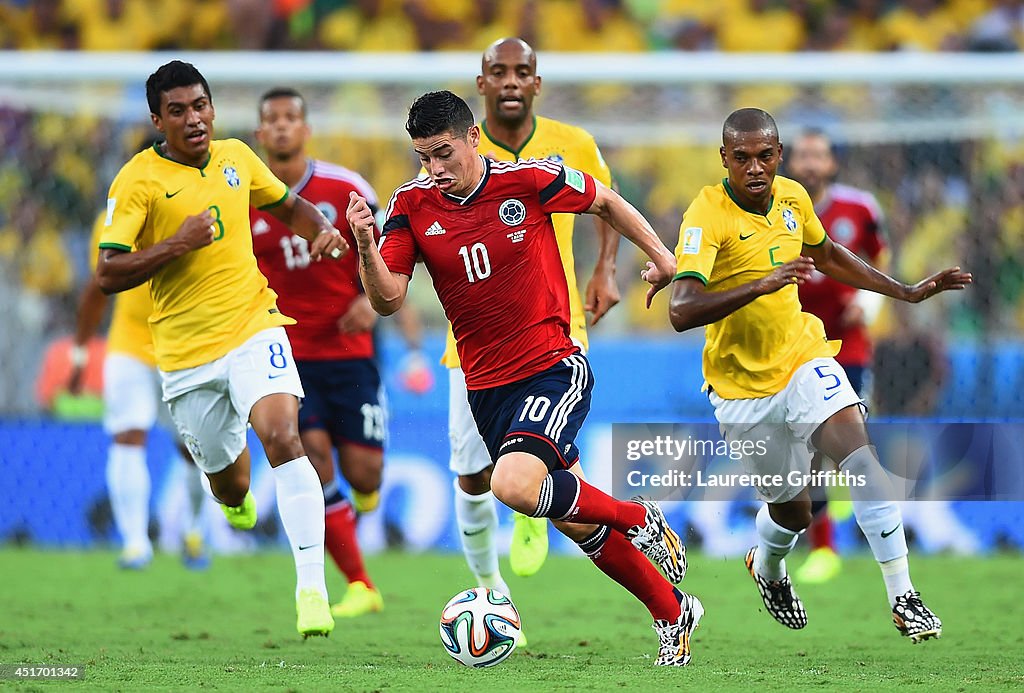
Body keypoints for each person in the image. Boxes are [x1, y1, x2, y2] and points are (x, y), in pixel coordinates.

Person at [348, 90, 702, 666]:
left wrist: (664, 258)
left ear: (472, 139)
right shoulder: (411, 204)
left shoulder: (530, 180)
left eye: (443, 154)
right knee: (574, 518)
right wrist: (365, 244)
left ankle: (640, 517)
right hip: (484, 386)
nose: (434, 170)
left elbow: (607, 202)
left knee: (511, 486)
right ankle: (672, 612)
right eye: (423, 158)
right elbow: (387, 299)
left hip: (551, 366)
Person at [669, 108, 971, 643]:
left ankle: (904, 597)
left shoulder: (793, 198)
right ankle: (768, 566)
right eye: (742, 158)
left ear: (779, 156)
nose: (755, 168)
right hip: (741, 388)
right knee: (793, 512)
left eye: (765, 156)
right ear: (724, 159)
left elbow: (827, 252)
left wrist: (904, 291)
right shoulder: (706, 214)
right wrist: (761, 284)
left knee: (860, 458)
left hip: (803, 354)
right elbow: (682, 309)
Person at [95, 60, 347, 638]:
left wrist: (320, 232)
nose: (194, 118)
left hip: (253, 324)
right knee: (229, 482)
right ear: (158, 119)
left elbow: (287, 205)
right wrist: (177, 244)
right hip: (184, 355)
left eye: (201, 105)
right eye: (178, 111)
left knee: (285, 436)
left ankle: (312, 588)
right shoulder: (137, 180)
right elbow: (108, 273)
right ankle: (233, 500)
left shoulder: (237, 157)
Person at [443, 37, 622, 599]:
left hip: (555, 325)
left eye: (523, 72)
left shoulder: (572, 144)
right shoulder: (456, 155)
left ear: (537, 84)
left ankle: (621, 541)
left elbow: (606, 202)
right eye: (500, 72)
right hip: (474, 342)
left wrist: (606, 270)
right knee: (473, 476)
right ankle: (491, 590)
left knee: (537, 457)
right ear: (483, 84)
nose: (512, 81)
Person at [250, 86, 384, 618]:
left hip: (350, 349)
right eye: (272, 120)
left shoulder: (346, 187)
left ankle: (364, 501)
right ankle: (359, 584)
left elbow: (391, 246)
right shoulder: (244, 198)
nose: (282, 127)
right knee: (313, 459)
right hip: (285, 353)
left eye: (291, 118)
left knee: (365, 473)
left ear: (305, 129)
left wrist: (370, 304)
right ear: (261, 133)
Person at [71, 209, 210, 571]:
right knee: (127, 437)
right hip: (129, 345)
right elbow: (98, 286)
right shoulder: (111, 220)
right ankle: (135, 543)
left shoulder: (197, 212)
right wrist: (80, 354)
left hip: (184, 347)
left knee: (193, 450)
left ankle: (193, 531)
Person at [786, 129, 887, 584]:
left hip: (849, 344)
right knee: (810, 449)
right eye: (803, 154)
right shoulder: (773, 208)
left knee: (842, 442)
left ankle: (837, 533)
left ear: (832, 164)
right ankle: (824, 547)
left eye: (818, 155)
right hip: (794, 346)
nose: (810, 163)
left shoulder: (860, 208)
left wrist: (865, 305)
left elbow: (882, 263)